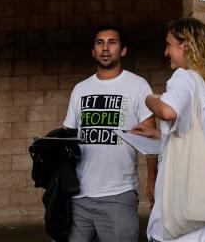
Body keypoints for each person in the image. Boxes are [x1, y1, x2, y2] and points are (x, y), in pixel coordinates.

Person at [132, 17, 205, 242]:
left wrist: (149, 99)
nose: (165, 52)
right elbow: (204, 134)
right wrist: (160, 135)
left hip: (188, 222)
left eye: (169, 44)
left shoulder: (185, 77)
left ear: (186, 45)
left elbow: (168, 112)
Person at [63, 27, 158, 242]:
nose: (105, 48)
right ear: (93, 51)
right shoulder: (80, 89)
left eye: (112, 42)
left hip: (119, 194)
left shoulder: (138, 85)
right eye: (100, 43)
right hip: (78, 195)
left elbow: (152, 141)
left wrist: (153, 180)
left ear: (123, 50)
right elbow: (69, 136)